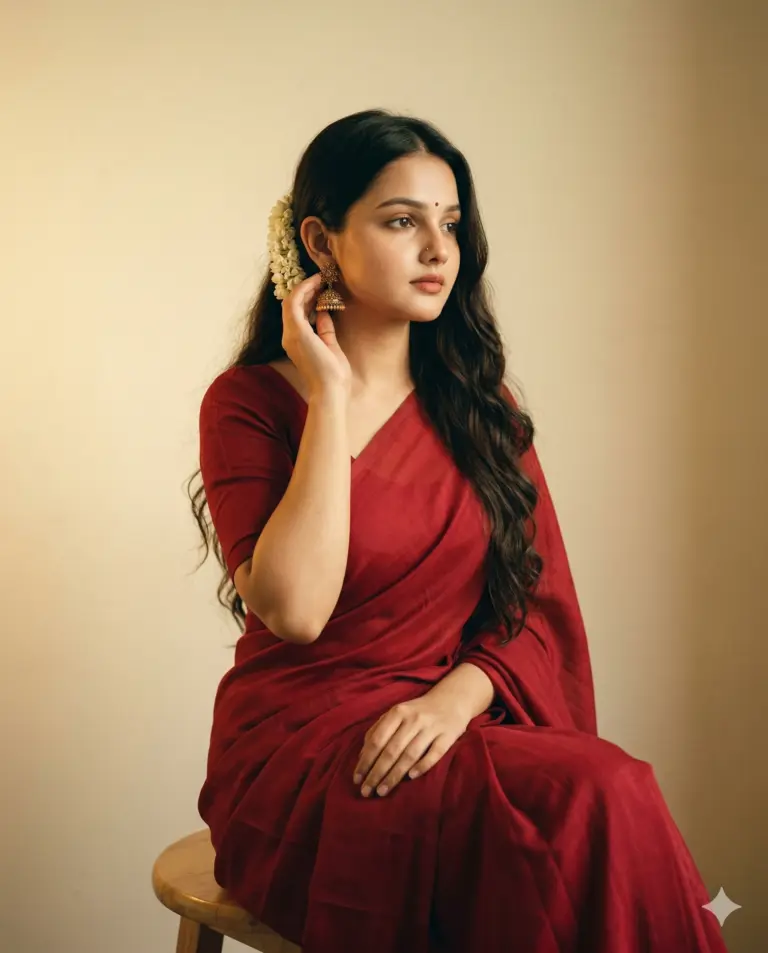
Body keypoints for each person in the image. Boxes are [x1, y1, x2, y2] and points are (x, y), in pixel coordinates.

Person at [188, 109, 727, 953]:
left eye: (451, 224)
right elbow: (294, 611)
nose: (441, 251)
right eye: (403, 222)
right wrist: (331, 396)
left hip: (450, 719)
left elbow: (535, 610)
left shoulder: (483, 413)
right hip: (302, 749)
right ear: (321, 243)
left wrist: (458, 694)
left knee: (604, 791)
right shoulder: (252, 403)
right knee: (587, 799)